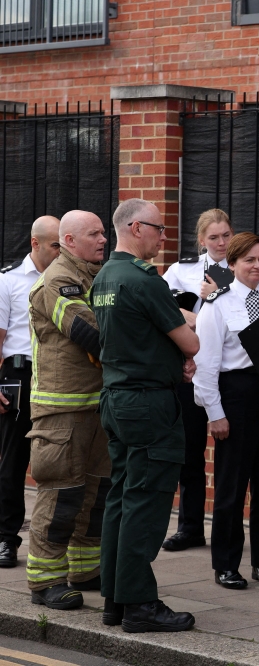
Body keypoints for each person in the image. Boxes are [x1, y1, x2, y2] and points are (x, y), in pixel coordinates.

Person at [92, 198, 200, 632]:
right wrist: (184, 348)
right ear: (136, 228)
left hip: (117, 398)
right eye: (158, 227)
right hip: (149, 404)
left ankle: (115, 601)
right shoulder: (144, 280)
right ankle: (140, 605)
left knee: (121, 499)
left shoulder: (104, 276)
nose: (163, 235)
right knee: (145, 503)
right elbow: (189, 343)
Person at [193, 232, 259, 590]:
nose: (257, 266)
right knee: (232, 485)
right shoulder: (218, 304)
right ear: (233, 264)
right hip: (236, 395)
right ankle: (226, 564)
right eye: (249, 261)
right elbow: (206, 363)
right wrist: (215, 413)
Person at [25, 210, 109, 610]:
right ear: (69, 241)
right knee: (62, 495)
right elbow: (89, 331)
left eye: (104, 233)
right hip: (62, 412)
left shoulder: (93, 276)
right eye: (94, 234)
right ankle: (45, 581)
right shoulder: (57, 281)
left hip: (95, 407)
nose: (103, 239)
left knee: (94, 497)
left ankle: (85, 570)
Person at [160, 208, 234, 552]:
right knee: (189, 453)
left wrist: (212, 300)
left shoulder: (242, 268)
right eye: (214, 237)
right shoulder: (181, 270)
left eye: (226, 235)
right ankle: (190, 527)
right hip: (189, 372)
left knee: (230, 457)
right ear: (201, 240)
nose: (221, 243)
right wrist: (195, 310)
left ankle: (227, 528)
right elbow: (160, 308)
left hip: (227, 374)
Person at [0, 216, 62, 569]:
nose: (60, 252)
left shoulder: (67, 279)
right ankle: (6, 539)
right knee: (12, 463)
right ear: (35, 243)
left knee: (57, 462)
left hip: (56, 375)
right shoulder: (8, 281)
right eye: (55, 245)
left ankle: (54, 539)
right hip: (19, 376)